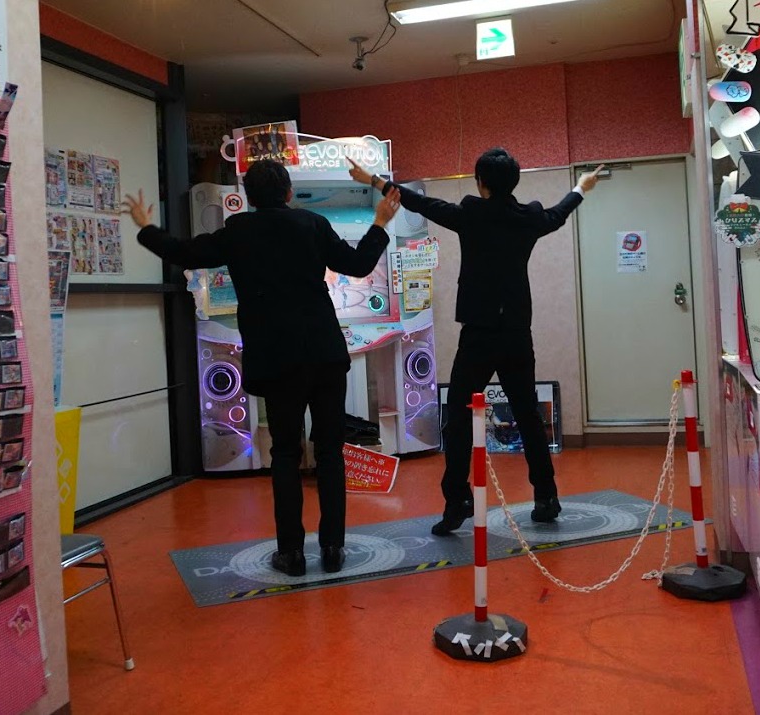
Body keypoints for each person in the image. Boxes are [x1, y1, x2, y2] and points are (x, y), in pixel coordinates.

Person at [123, 159, 401, 574]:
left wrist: (146, 226)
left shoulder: (238, 232)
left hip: (276, 360)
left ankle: (290, 553)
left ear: (249, 199)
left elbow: (184, 253)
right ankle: (333, 549)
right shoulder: (312, 224)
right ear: (289, 193)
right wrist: (379, 222)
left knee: (286, 454)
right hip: (324, 355)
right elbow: (359, 265)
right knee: (329, 452)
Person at [348, 151, 603, 535]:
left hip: (479, 333)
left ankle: (458, 501)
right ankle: (546, 497)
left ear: (480, 181)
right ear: (513, 182)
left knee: (460, 414)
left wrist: (374, 180)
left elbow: (421, 202)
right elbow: (558, 214)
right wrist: (580, 188)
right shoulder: (527, 217)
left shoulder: (471, 213)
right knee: (528, 416)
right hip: (516, 330)